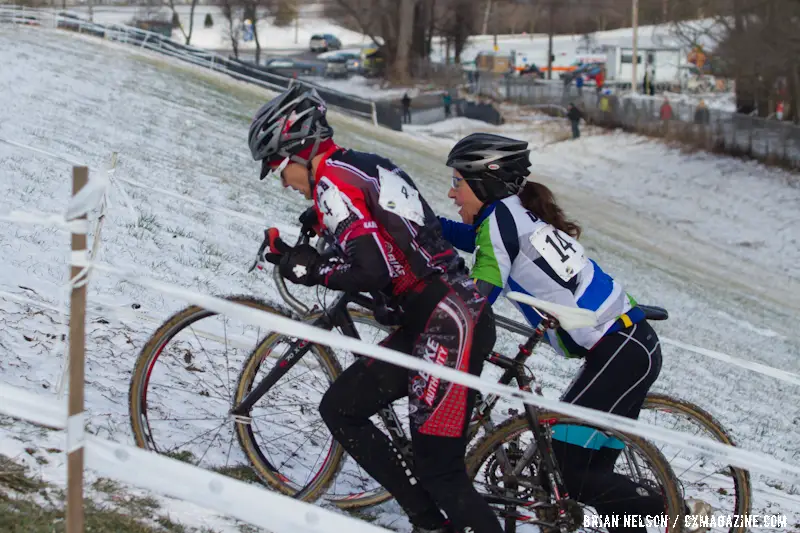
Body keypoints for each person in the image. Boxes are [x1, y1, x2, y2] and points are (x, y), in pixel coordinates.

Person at [247, 86, 503, 533]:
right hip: (443, 311)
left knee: (440, 470)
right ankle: (427, 521)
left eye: (277, 167)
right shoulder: (356, 163)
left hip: (448, 322)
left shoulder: (331, 184)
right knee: (342, 407)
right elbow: (385, 234)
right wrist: (323, 230)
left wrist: (310, 270)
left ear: (300, 152)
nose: (282, 181)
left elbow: (372, 271)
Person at [435, 132, 688, 532]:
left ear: (484, 183)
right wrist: (431, 226)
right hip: (627, 346)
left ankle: (679, 517)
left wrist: (438, 315)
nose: (452, 194)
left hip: (620, 351)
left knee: (572, 474)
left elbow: (483, 289)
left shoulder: (502, 220)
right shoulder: (508, 214)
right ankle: (663, 518)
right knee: (587, 476)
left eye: (457, 183)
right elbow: (480, 241)